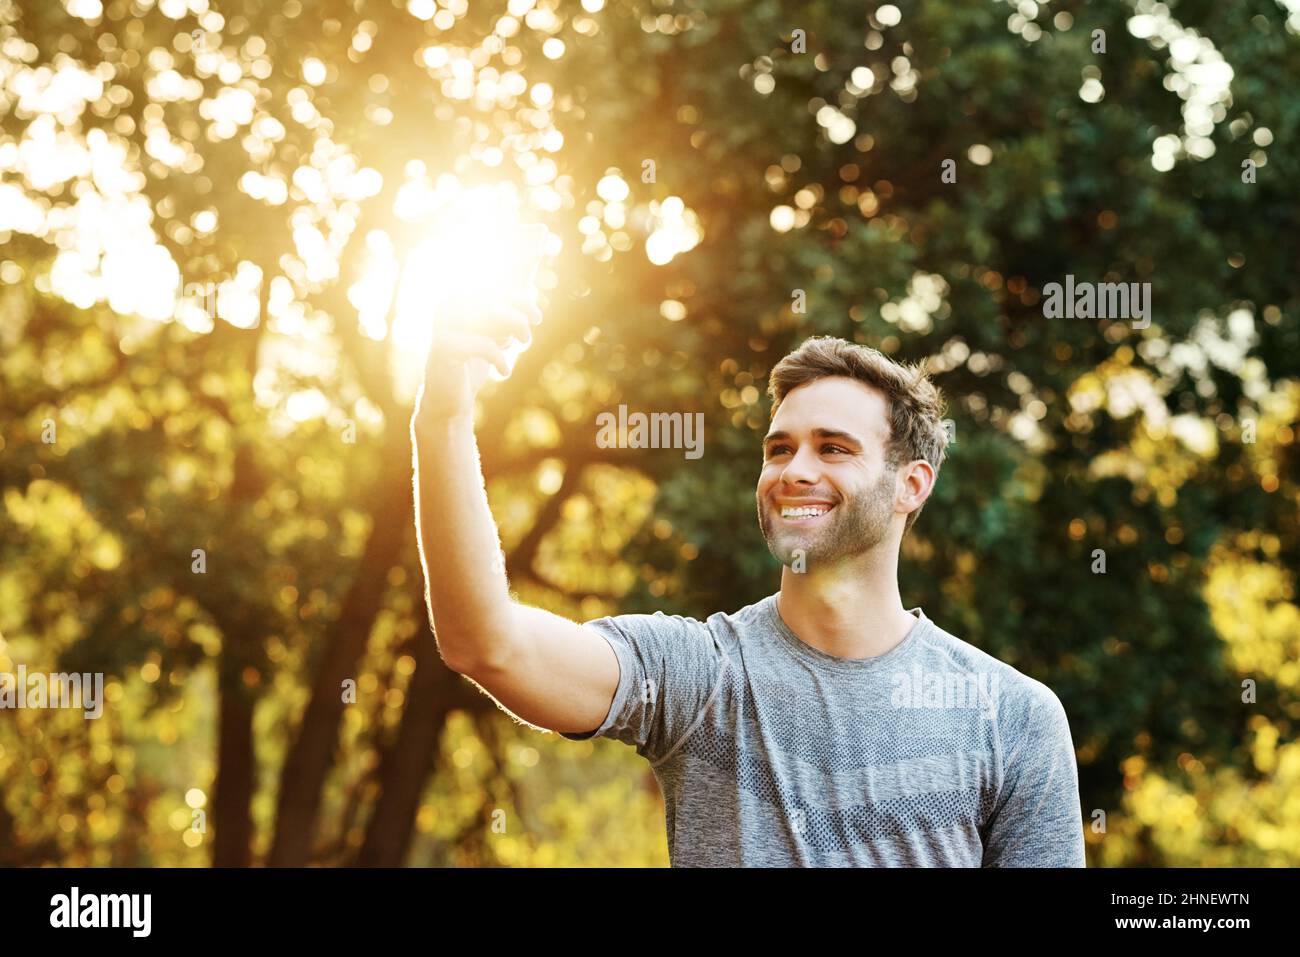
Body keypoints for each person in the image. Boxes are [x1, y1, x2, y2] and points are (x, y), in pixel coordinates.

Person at [411, 295, 1086, 867]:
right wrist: (441, 419)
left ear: (911, 485)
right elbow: (487, 644)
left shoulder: (1013, 718)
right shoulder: (698, 677)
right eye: (778, 448)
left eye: (833, 447)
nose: (793, 470)